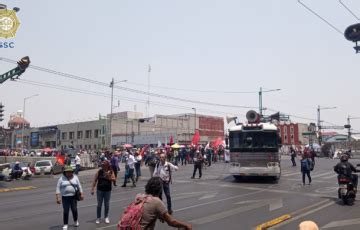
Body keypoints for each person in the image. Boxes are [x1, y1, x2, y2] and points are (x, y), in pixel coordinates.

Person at [56, 165, 84, 230]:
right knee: (66, 211)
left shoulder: (75, 177)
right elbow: (57, 188)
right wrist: (58, 197)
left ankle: (76, 221)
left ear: (72, 172)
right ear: (65, 172)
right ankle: (65, 224)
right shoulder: (61, 179)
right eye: (67, 172)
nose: (69, 173)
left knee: (74, 209)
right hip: (65, 197)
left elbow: (79, 186)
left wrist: (82, 194)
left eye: (70, 171)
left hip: (73, 197)